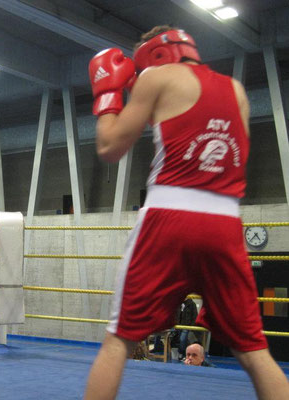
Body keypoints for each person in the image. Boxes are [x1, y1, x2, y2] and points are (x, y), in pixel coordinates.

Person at [83, 25, 289, 400]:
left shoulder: (156, 78)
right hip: (226, 223)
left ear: (150, 55)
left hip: (170, 218)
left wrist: (110, 94)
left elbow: (109, 146)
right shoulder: (237, 91)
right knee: (256, 352)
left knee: (120, 341)